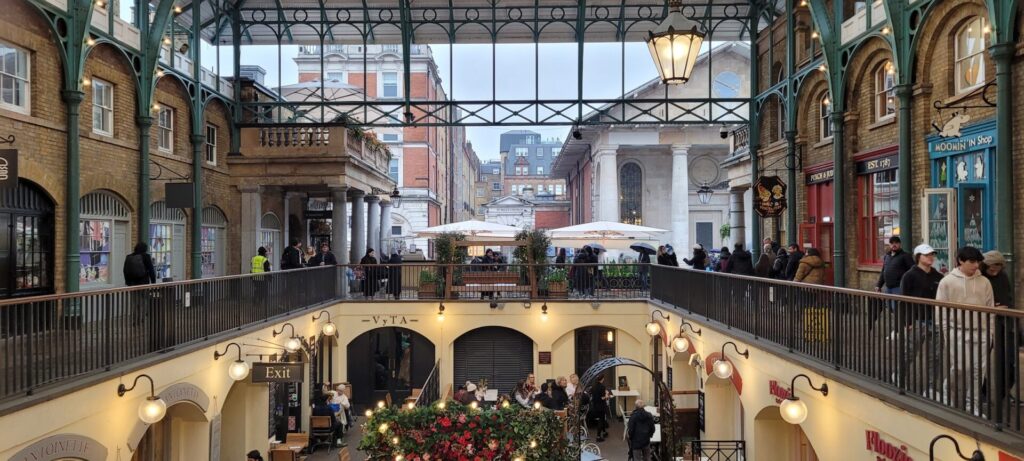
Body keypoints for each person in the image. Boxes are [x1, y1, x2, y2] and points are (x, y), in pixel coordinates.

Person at [935, 246, 995, 414]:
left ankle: (972, 406)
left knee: (978, 371)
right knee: (960, 367)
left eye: (978, 261)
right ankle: (948, 395)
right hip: (958, 331)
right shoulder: (947, 281)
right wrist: (946, 332)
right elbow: (941, 309)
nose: (976, 265)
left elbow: (990, 307)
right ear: (960, 261)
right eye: (972, 261)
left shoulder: (984, 282)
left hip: (981, 332)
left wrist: (990, 332)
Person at [897, 244, 945, 392]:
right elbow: (904, 300)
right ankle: (900, 376)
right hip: (917, 321)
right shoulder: (909, 275)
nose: (930, 257)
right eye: (926, 255)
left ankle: (931, 386)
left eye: (932, 254)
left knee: (935, 356)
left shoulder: (938, 276)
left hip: (935, 321)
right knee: (910, 353)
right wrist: (907, 322)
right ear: (918, 257)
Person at [588, 375, 610, 442]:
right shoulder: (602, 387)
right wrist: (607, 395)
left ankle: (604, 432)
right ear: (602, 379)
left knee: (602, 419)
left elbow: (592, 395)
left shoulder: (593, 387)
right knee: (601, 420)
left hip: (595, 406)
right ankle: (598, 436)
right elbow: (602, 398)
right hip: (601, 406)